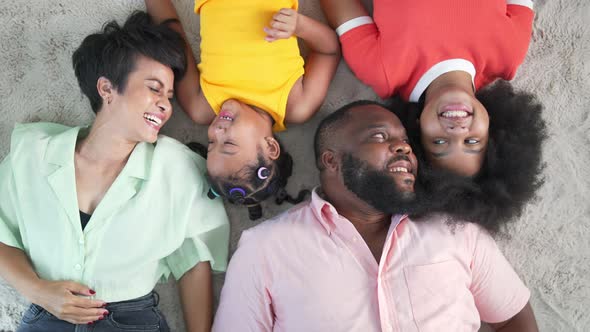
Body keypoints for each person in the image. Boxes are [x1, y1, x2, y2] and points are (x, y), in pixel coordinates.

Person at [212, 101, 538, 331]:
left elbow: (512, 317)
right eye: (380, 136)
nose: (404, 148)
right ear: (331, 160)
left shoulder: (455, 231)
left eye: (406, 141)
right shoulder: (264, 249)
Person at [0, 12, 229, 332]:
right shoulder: (32, 154)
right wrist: (37, 290)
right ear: (107, 88)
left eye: (169, 96)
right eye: (154, 88)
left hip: (132, 321)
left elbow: (193, 263)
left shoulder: (178, 169)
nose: (165, 105)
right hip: (45, 316)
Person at [145, 0, 340, 219]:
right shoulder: (297, 104)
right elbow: (329, 50)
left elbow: (174, 37)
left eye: (210, 143)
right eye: (228, 143)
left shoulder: (202, 107)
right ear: (271, 147)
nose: (216, 131)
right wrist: (300, 26)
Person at [319, 0, 541, 178]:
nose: (457, 131)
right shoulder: (508, 54)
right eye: (472, 141)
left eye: (439, 142)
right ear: (491, 125)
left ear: (417, 130)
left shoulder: (381, 70)